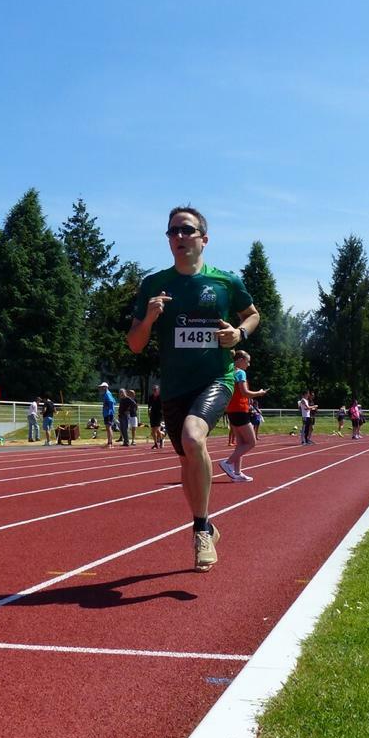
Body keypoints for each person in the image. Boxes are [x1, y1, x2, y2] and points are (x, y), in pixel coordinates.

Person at [126, 205, 259, 572]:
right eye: (172, 232)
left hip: (216, 379)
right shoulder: (154, 284)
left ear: (204, 238)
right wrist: (150, 319)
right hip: (174, 387)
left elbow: (252, 313)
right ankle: (207, 525)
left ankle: (200, 529)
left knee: (193, 436)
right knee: (188, 462)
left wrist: (239, 333)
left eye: (186, 230)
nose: (179, 237)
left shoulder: (225, 282)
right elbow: (135, 344)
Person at [219, 350, 268, 482]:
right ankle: (228, 463)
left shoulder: (229, 372)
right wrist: (259, 393)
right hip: (240, 410)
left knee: (240, 443)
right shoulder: (240, 373)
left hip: (231, 410)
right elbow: (245, 393)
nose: (249, 364)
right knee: (251, 442)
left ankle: (237, 473)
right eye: (247, 361)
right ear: (240, 360)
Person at [99, 382, 117, 448]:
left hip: (108, 413)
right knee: (108, 428)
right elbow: (114, 401)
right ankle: (109, 442)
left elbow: (112, 402)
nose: (101, 388)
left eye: (102, 387)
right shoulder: (107, 394)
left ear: (106, 387)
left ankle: (110, 443)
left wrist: (109, 409)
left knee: (109, 428)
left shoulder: (107, 394)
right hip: (107, 413)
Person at [147, 385, 165, 449]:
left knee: (157, 430)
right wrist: (148, 411)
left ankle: (161, 439)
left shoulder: (161, 397)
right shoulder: (151, 397)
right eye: (153, 389)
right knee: (153, 431)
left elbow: (163, 405)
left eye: (155, 389)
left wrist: (163, 412)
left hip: (159, 415)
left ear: (158, 390)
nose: (154, 390)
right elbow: (149, 405)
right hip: (153, 414)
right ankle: (155, 443)